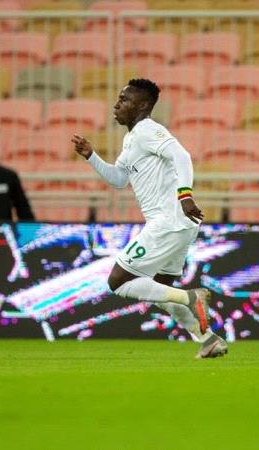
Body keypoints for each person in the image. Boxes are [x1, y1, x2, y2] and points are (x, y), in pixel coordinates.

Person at [71, 78, 228, 359]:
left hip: (168, 221)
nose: (117, 104)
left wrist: (185, 194)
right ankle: (208, 339)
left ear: (142, 105)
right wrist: (91, 156)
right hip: (179, 225)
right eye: (118, 99)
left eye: (124, 100)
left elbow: (182, 155)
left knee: (119, 282)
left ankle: (190, 297)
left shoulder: (148, 131)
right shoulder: (132, 139)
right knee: (159, 290)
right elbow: (119, 179)